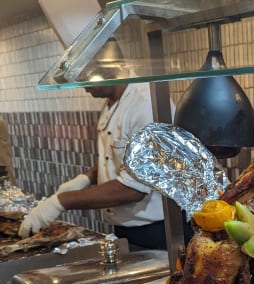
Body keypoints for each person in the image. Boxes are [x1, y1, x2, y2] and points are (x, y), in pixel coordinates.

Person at [19, 79, 172, 250]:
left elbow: (133, 188)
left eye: (85, 78)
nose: (83, 87)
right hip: (126, 228)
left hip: (159, 233)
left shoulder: (145, 105)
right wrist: (87, 177)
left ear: (108, 68)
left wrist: (61, 202)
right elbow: (117, 158)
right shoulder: (112, 104)